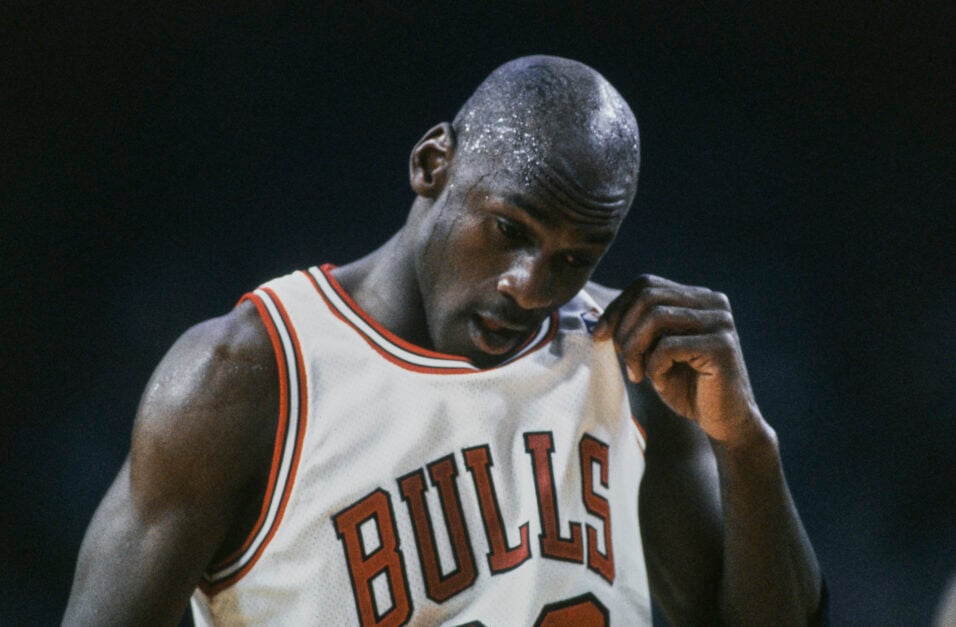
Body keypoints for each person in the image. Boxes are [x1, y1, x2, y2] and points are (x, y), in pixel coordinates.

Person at [64, 55, 824, 626]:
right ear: (433, 164)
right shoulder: (246, 376)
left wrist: (748, 447)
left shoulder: (630, 363)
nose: (528, 284)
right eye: (508, 230)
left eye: (571, 258)